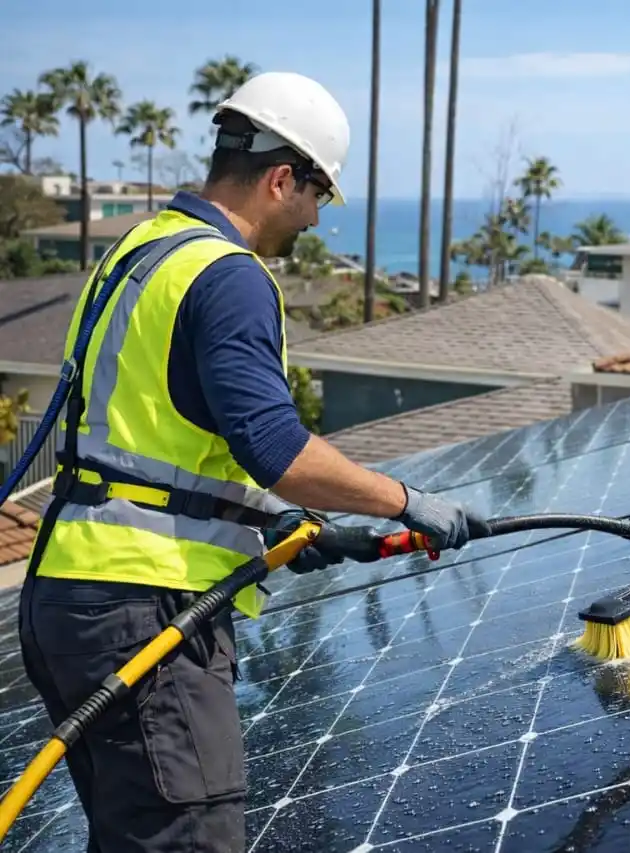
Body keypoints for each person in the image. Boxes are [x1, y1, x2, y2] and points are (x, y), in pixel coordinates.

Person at [16, 70, 483, 853]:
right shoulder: (228, 274)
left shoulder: (139, 251)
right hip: (144, 608)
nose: (311, 221)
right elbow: (275, 447)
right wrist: (404, 498)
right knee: (190, 839)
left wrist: (275, 521)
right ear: (280, 179)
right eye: (316, 199)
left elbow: (149, 440)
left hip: (68, 594)